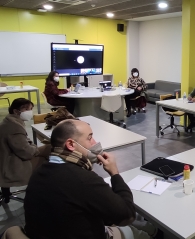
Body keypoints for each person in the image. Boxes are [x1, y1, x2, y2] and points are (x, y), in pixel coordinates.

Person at [24, 119, 160, 239]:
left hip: (51, 232)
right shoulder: (83, 180)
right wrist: (115, 173)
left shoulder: (39, 171)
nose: (95, 142)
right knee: (137, 233)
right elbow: (127, 215)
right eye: (90, 138)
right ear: (71, 144)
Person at [0, 98, 50, 203]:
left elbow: (22, 143)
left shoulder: (8, 121)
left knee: (45, 148)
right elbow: (26, 153)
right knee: (50, 152)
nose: (29, 112)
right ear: (15, 111)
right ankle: (41, 191)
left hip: (4, 159)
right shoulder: (14, 127)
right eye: (26, 109)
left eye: (31, 109)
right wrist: (37, 149)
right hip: (11, 165)